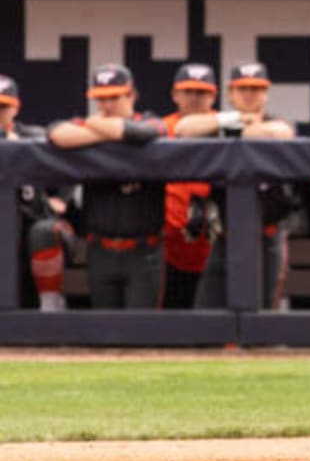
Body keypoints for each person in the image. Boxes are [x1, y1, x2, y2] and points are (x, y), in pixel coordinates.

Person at [175, 63, 296, 310]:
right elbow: (183, 129)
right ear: (230, 94)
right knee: (205, 314)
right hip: (226, 237)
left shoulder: (276, 122)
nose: (249, 94)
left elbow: (282, 133)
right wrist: (231, 119)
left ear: (266, 93)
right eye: (242, 89)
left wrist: (244, 127)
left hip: (267, 236)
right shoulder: (218, 123)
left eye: (256, 88)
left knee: (262, 317)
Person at [47, 64, 165, 309]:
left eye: (114, 97)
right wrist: (106, 131)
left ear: (131, 95)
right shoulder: (89, 123)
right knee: (105, 329)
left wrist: (95, 128)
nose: (106, 105)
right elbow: (57, 134)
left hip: (144, 250)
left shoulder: (150, 119)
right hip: (101, 249)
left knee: (141, 332)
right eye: (101, 98)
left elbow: (143, 133)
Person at [0, 73, 73, 309]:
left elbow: (72, 167)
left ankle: (50, 306)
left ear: (15, 108)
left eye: (3, 107)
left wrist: (61, 198)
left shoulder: (34, 137)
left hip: (31, 225)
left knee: (43, 232)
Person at [160, 63, 218, 310]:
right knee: (167, 322)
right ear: (175, 95)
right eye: (188, 91)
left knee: (213, 320)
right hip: (168, 242)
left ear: (213, 95)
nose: (194, 98)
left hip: (213, 240)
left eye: (201, 92)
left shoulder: (225, 126)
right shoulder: (161, 128)